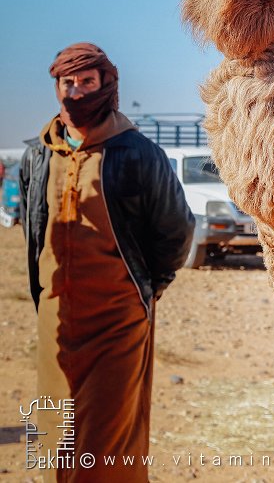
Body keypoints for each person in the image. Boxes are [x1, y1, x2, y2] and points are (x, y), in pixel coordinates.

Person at [19, 43, 195, 481]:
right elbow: (33, 229)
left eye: (87, 82)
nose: (76, 92)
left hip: (118, 317)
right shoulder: (37, 154)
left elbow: (176, 229)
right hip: (56, 314)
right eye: (68, 83)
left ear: (107, 86)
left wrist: (148, 288)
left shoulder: (137, 153)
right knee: (55, 432)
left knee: (107, 436)